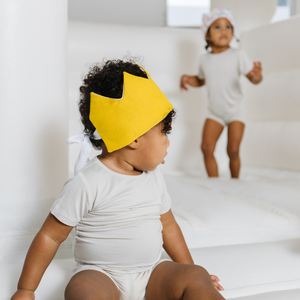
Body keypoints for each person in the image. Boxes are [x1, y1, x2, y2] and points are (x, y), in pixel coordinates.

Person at [11, 59, 225, 300]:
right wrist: (26, 289)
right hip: (102, 275)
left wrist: (191, 269)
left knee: (196, 276)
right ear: (133, 137)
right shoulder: (88, 182)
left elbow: (168, 226)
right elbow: (51, 236)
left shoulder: (153, 178)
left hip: (151, 272)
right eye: (164, 131)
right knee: (82, 289)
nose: (167, 141)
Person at [180, 8, 263, 178]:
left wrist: (257, 75)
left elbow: (254, 80)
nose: (224, 30)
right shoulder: (204, 59)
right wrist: (189, 79)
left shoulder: (237, 55)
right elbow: (202, 80)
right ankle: (214, 183)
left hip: (235, 111)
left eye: (228, 27)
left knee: (232, 150)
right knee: (206, 148)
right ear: (207, 35)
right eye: (217, 27)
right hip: (215, 112)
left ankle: (235, 182)